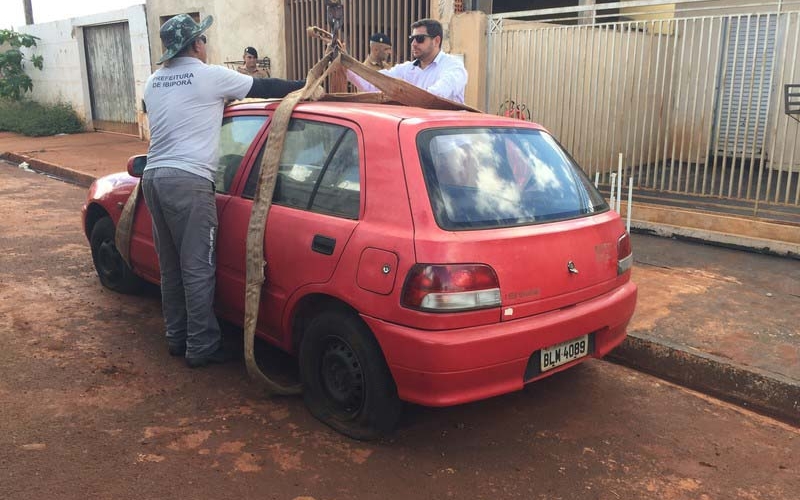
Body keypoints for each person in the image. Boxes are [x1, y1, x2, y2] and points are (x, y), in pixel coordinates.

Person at [142, 14, 308, 368]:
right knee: (198, 267)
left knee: (171, 266)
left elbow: (172, 113)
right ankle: (202, 346)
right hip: (189, 181)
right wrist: (309, 83)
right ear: (196, 45)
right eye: (203, 40)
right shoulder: (208, 75)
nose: (206, 45)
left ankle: (176, 336)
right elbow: (265, 88)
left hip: (153, 177)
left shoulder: (153, 82)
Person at [347, 18, 467, 104]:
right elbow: (372, 83)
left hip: (446, 137)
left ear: (436, 41)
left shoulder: (453, 66)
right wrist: (345, 64)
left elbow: (436, 95)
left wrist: (404, 96)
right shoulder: (406, 69)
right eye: (412, 39)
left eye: (419, 39)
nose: (414, 44)